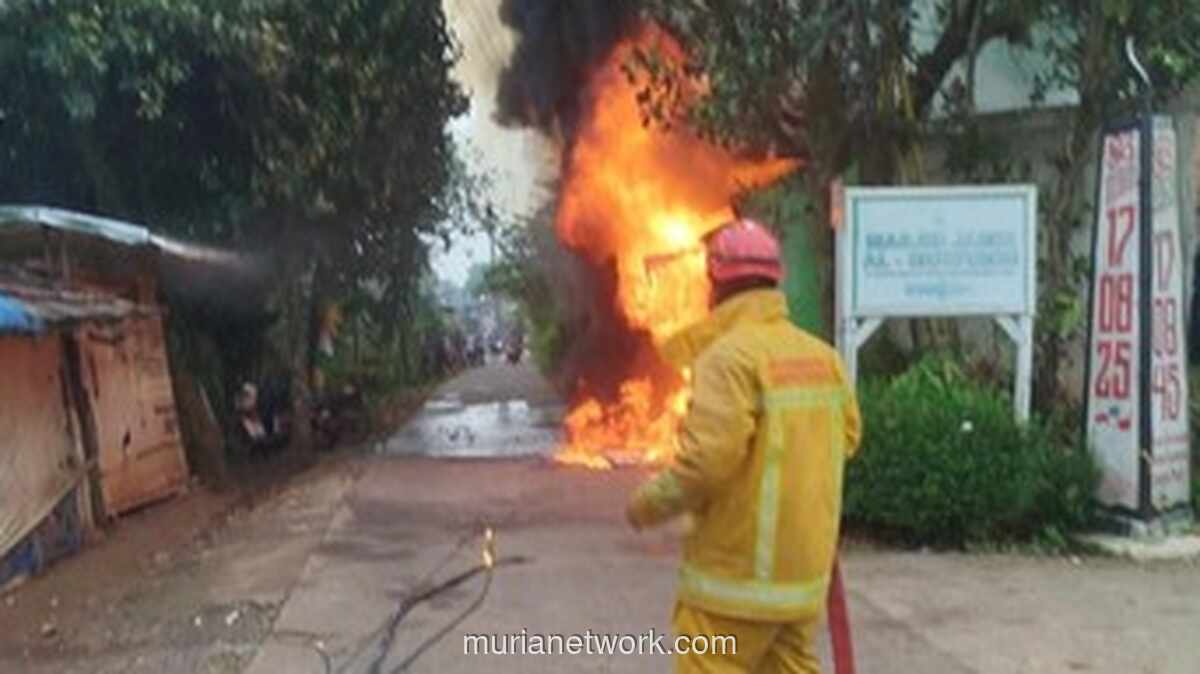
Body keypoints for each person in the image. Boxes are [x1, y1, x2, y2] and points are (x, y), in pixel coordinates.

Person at [626, 218, 862, 674]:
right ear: (775, 280)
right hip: (802, 583)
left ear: (715, 282)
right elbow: (846, 439)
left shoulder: (727, 358)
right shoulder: (823, 358)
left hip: (733, 585)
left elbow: (706, 464)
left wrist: (647, 505)